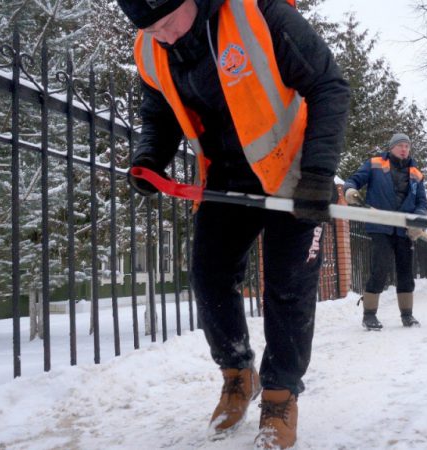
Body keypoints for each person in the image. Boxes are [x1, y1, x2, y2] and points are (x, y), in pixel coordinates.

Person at [116, 0, 349, 448]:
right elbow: (159, 111)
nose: (163, 36)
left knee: (288, 287)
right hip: (228, 176)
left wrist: (319, 173)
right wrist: (150, 156)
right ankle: (239, 373)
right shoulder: (151, 47)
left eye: (167, 23)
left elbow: (330, 86)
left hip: (294, 174)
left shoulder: (260, 14)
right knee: (209, 274)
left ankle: (280, 397)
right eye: (152, 30)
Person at [343, 133, 427, 330]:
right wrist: (350, 190)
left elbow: (422, 203)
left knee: (406, 271)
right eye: (400, 145)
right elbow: (354, 180)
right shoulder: (374, 164)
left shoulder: (416, 174)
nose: (404, 149)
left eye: (407, 146)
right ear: (391, 148)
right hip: (380, 226)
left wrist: (417, 220)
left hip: (404, 229)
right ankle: (369, 315)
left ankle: (407, 315)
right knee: (380, 268)